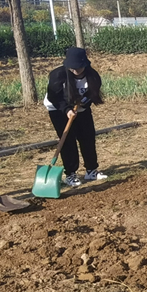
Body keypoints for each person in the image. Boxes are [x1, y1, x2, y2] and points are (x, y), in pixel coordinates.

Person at [44, 46, 107, 188]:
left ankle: (91, 170)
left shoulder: (93, 76)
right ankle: (71, 174)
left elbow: (92, 94)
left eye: (78, 67)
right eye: (72, 67)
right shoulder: (58, 75)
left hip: (81, 109)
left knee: (88, 137)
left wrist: (83, 102)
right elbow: (54, 97)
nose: (75, 70)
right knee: (68, 140)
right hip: (57, 108)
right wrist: (66, 110)